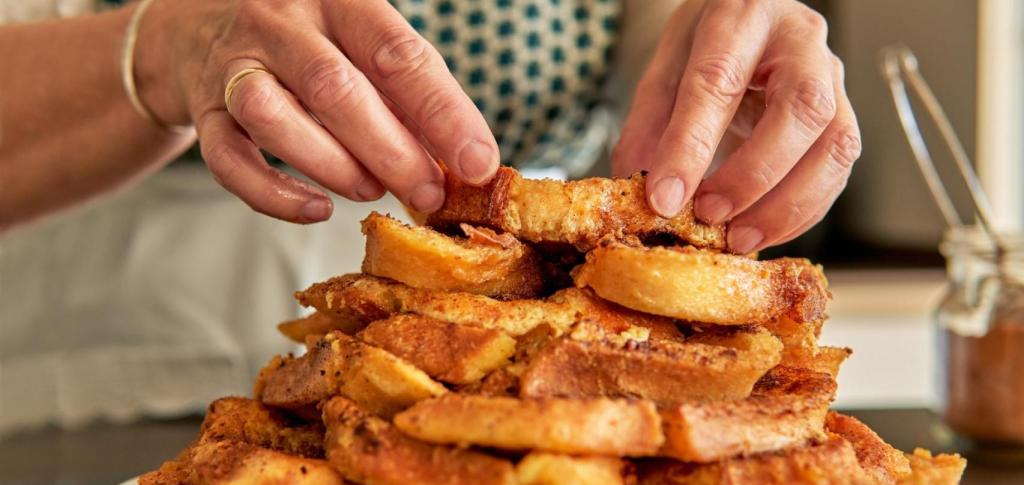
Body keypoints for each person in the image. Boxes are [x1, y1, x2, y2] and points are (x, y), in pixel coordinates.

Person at [0, 0, 859, 433]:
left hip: (571, 384)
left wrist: (733, 51)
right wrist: (161, 44)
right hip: (104, 395)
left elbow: (667, 43)